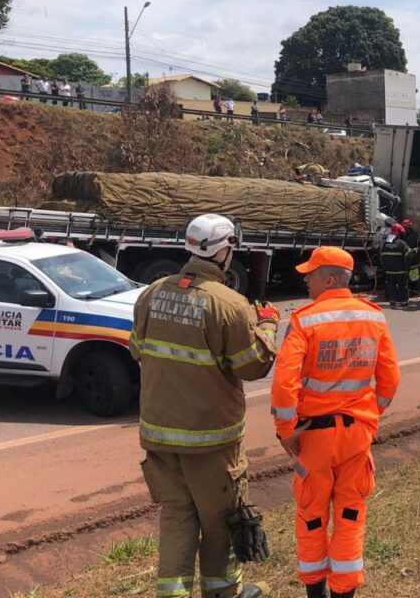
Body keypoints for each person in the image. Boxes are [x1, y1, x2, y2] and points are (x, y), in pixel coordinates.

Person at [129, 214, 280, 598]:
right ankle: (223, 593)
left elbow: (137, 350)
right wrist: (267, 326)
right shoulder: (229, 304)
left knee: (177, 518)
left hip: (160, 439)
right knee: (220, 524)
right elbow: (253, 366)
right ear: (225, 251)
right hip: (212, 443)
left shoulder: (152, 293)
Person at [271, 247, 401, 598]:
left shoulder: (304, 320)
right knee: (350, 515)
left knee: (312, 516)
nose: (305, 279)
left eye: (310, 274)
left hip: (312, 438)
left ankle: (315, 591)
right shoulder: (373, 317)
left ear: (328, 279)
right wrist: (371, 416)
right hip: (357, 434)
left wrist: (286, 433)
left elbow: (285, 385)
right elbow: (389, 380)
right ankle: (344, 591)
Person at [381, 224, 411, 307]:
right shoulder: (402, 243)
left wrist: (385, 267)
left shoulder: (386, 244)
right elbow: (409, 255)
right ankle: (404, 302)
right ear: (399, 232)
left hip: (389, 271)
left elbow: (382, 256)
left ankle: (392, 301)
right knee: (402, 286)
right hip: (401, 271)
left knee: (391, 286)